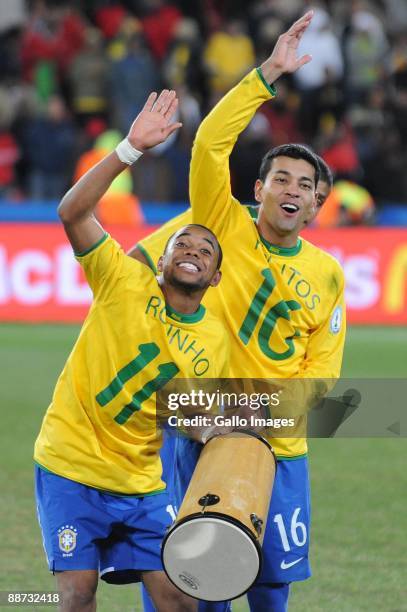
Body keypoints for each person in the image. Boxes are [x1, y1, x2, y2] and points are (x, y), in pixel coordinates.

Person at [125, 12, 346, 612]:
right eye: (281, 179)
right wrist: (268, 73)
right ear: (259, 189)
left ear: (317, 205)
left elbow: (322, 372)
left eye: (306, 185)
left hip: (277, 443)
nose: (292, 190)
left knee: (272, 587)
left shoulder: (327, 274)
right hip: (199, 424)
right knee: (194, 586)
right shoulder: (221, 224)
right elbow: (210, 142)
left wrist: (260, 413)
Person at [33, 89, 230, 612]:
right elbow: (71, 211)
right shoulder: (120, 279)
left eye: (205, 249)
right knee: (77, 597)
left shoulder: (213, 338)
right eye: (181, 244)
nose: (192, 250)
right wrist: (130, 150)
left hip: (140, 484)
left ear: (216, 276)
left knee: (179, 602)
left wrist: (212, 428)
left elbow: (184, 408)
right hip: (70, 467)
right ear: (160, 260)